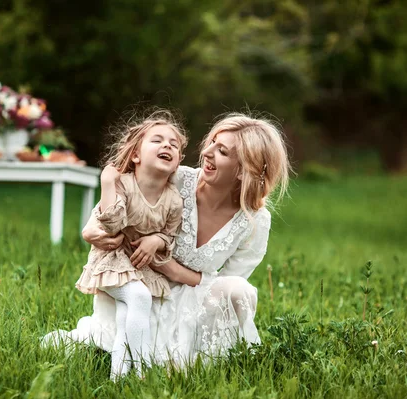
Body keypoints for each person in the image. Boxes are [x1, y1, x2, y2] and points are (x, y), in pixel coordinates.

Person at [44, 112, 290, 369]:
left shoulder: (255, 221)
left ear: (243, 171)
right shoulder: (177, 177)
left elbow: (226, 281)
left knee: (239, 290)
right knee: (129, 321)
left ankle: (191, 356)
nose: (207, 153)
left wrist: (172, 268)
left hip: (192, 301)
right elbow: (122, 196)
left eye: (222, 152)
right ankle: (138, 358)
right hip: (142, 285)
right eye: (212, 143)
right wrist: (90, 230)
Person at [74, 110, 188, 380]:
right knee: (138, 297)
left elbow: (170, 237)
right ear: (136, 155)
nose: (167, 146)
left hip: (140, 268)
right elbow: (111, 225)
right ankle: (144, 371)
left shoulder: (174, 200)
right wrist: (107, 182)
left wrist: (156, 239)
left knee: (128, 315)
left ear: (177, 163)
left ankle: (120, 377)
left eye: (173, 145)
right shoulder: (123, 184)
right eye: (157, 140)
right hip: (112, 262)